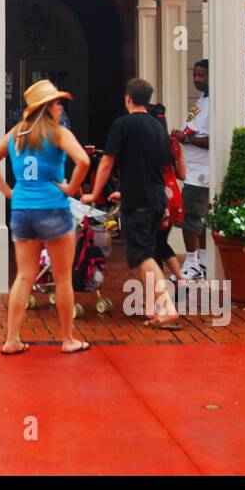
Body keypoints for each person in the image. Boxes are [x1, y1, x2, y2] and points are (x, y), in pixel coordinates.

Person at [0, 79, 91, 355]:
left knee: (24, 276)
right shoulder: (58, 133)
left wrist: (8, 191)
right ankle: (67, 339)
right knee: (63, 277)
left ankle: (11, 339)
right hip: (53, 207)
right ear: (46, 107)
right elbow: (84, 161)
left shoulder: (16, 134)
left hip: (22, 208)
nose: (60, 107)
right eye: (57, 103)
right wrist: (69, 188)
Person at [83, 78, 180, 329]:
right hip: (157, 197)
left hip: (139, 201)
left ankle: (166, 308)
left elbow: (107, 162)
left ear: (128, 98)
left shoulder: (122, 124)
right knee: (148, 252)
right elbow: (153, 167)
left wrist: (94, 194)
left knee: (144, 255)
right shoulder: (159, 127)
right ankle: (153, 308)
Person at [174, 60, 210, 280]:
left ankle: (191, 261)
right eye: (195, 75)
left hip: (201, 173)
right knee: (199, 219)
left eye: (201, 75)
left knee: (189, 218)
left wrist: (185, 138)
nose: (196, 79)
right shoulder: (202, 100)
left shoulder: (214, 102)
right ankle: (203, 261)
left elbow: (212, 139)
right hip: (192, 170)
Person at [147, 104, 185, 288]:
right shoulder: (172, 143)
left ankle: (159, 288)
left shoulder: (147, 143)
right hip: (173, 197)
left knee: (154, 245)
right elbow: (183, 174)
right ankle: (180, 278)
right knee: (161, 242)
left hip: (156, 196)